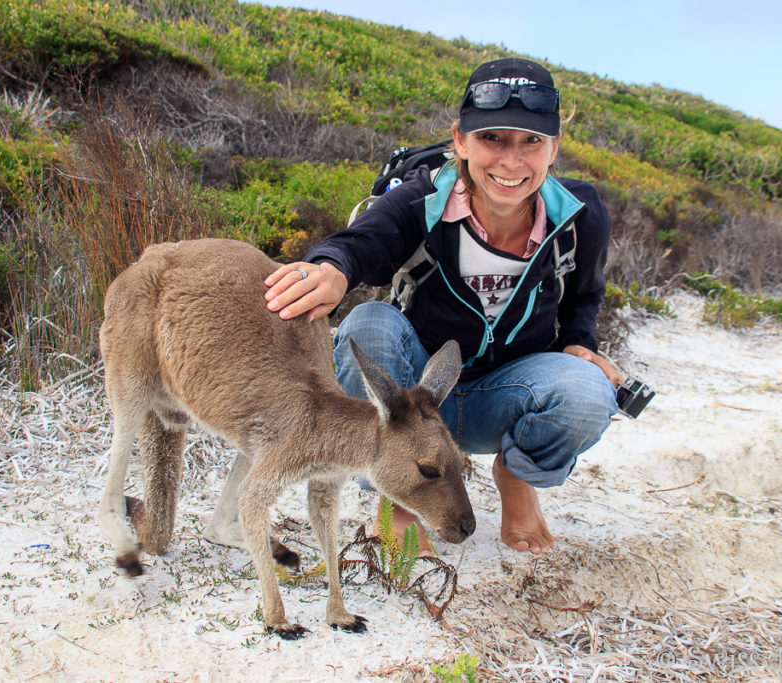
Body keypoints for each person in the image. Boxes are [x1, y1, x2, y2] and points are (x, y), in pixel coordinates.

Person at [263, 58, 619, 554]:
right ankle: (401, 499)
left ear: (553, 148)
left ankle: (517, 479)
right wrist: (330, 269)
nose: (511, 162)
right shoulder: (424, 199)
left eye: (531, 142)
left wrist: (580, 343)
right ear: (460, 140)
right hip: (416, 402)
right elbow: (360, 244)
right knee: (367, 324)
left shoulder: (580, 216)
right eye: (492, 138)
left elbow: (585, 294)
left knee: (587, 392)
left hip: (508, 394)